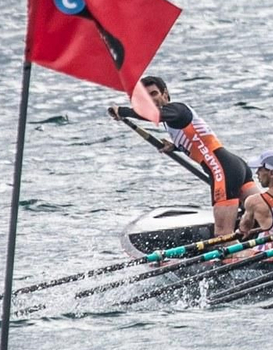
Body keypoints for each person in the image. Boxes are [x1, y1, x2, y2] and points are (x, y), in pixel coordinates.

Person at [109, 75, 254, 237]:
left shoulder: (178, 110)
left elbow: (155, 114)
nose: (151, 100)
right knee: (266, 215)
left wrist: (122, 111)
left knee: (223, 234)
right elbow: (199, 141)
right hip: (235, 166)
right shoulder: (172, 119)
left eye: (154, 94)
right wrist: (176, 146)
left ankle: (238, 256)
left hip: (222, 170)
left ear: (165, 95)